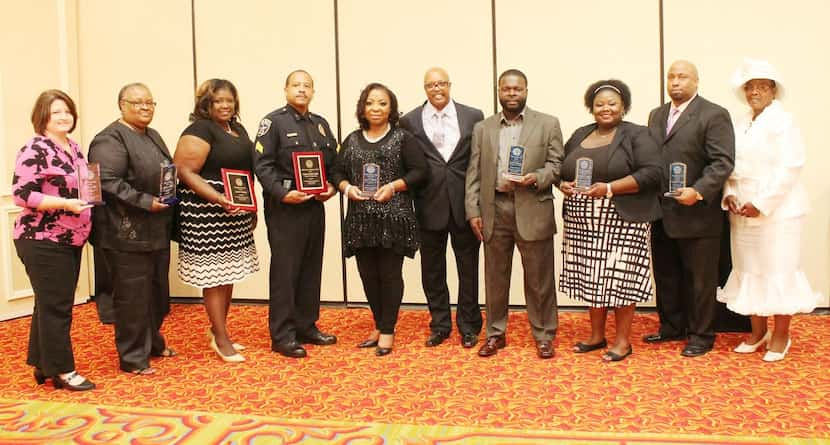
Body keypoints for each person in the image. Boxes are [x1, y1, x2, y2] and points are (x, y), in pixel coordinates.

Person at [718, 59, 822, 362]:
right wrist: (732, 195)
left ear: (773, 90)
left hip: (778, 212)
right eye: (749, 87)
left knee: (778, 271)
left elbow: (790, 167)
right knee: (750, 271)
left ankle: (781, 335)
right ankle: (758, 332)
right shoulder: (739, 122)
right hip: (742, 211)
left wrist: (762, 203)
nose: (754, 92)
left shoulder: (784, 121)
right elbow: (729, 166)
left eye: (761, 86)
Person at [558, 80, 662, 362]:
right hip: (583, 222)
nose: (606, 108)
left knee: (621, 278)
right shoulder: (581, 133)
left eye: (612, 103)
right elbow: (562, 167)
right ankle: (596, 335)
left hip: (622, 219)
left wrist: (609, 188)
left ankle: (623, 341)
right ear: (591, 108)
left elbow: (653, 173)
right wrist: (562, 184)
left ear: (624, 107)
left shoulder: (637, 134)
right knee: (593, 277)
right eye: (599, 103)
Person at [465, 69, 564, 359]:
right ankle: (495, 334)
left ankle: (544, 335)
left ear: (526, 91)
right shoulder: (483, 128)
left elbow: (557, 165)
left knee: (539, 279)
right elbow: (474, 173)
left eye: (517, 89)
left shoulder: (547, 124)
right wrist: (473, 211)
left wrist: (536, 177)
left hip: (532, 205)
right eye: (506, 89)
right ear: (498, 90)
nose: (511, 93)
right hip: (494, 209)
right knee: (495, 278)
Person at [643, 60, 735, 357]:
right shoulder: (656, 115)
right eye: (671, 77)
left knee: (699, 279)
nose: (675, 82)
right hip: (662, 211)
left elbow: (722, 162)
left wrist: (698, 191)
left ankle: (701, 335)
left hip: (697, 213)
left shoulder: (714, 114)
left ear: (696, 81)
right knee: (666, 274)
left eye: (682, 77)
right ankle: (671, 327)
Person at [332, 82, 428, 356]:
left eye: (383, 103)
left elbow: (420, 172)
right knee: (367, 276)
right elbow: (336, 172)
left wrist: (394, 186)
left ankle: (387, 329)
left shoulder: (403, 138)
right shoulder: (351, 139)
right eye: (371, 102)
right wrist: (347, 189)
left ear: (391, 109)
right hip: (361, 219)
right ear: (363, 107)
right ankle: (378, 323)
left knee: (389, 274)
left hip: (393, 218)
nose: (376, 108)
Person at [89, 83, 176, 375]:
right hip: (124, 232)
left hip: (156, 229)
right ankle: (133, 357)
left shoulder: (153, 135)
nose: (145, 108)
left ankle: (152, 342)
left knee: (157, 294)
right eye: (137, 103)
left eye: (150, 103)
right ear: (122, 105)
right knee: (132, 298)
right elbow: (107, 181)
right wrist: (145, 201)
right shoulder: (109, 139)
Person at [12, 90, 95, 391]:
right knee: (57, 306)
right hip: (42, 237)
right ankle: (63, 370)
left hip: (71, 237)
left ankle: (42, 364)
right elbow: (23, 194)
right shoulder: (35, 147)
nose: (63, 116)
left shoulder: (73, 147)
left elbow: (86, 186)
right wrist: (64, 204)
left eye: (67, 111)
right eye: (55, 111)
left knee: (50, 303)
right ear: (42, 116)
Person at [253, 70, 338, 358]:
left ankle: (306, 325)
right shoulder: (274, 122)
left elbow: (334, 164)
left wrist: (333, 186)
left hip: (314, 204)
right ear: (286, 89)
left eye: (307, 86)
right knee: (286, 271)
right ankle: (282, 334)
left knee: (311, 268)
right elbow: (262, 164)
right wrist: (280, 193)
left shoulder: (321, 125)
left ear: (313, 91)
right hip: (286, 206)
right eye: (296, 85)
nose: (302, 90)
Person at [175, 78, 260, 362]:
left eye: (229, 100)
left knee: (230, 273)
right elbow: (185, 171)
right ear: (206, 104)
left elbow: (245, 172)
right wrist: (219, 199)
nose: (225, 105)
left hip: (235, 211)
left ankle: (219, 330)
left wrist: (251, 209)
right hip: (207, 214)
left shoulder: (237, 129)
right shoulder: (200, 129)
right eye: (218, 101)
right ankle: (221, 338)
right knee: (214, 276)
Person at [400, 67, 485, 348]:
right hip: (428, 204)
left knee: (468, 268)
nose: (437, 89)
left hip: (465, 205)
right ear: (424, 88)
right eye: (430, 85)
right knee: (432, 270)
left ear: (450, 85)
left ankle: (469, 325)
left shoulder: (473, 116)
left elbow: (478, 161)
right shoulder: (409, 120)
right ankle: (439, 324)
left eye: (441, 83)